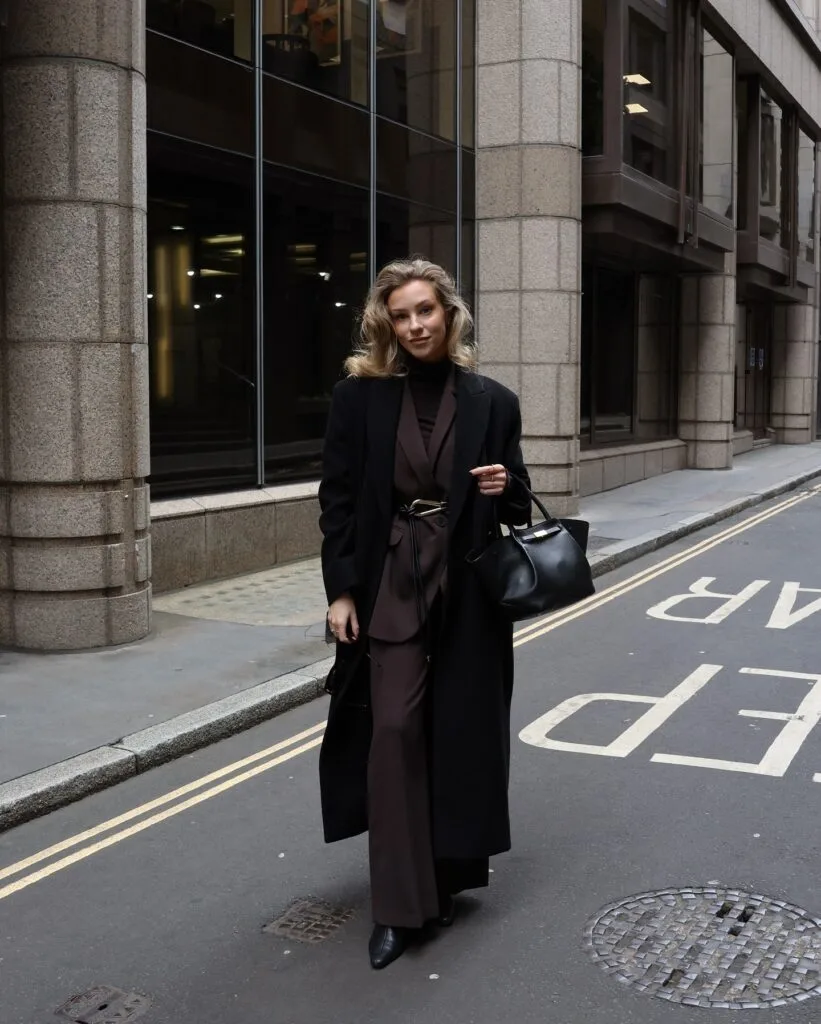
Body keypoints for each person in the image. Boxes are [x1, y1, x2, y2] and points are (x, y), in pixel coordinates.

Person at [317, 258, 532, 970]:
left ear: (449, 314)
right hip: (391, 581)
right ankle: (396, 907)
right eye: (400, 315)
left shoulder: (492, 401)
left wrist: (505, 487)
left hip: (467, 589)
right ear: (387, 323)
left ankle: (444, 880)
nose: (414, 326)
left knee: (458, 734)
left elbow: (516, 499)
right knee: (393, 731)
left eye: (425, 312)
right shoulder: (359, 399)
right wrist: (342, 590)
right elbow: (338, 500)